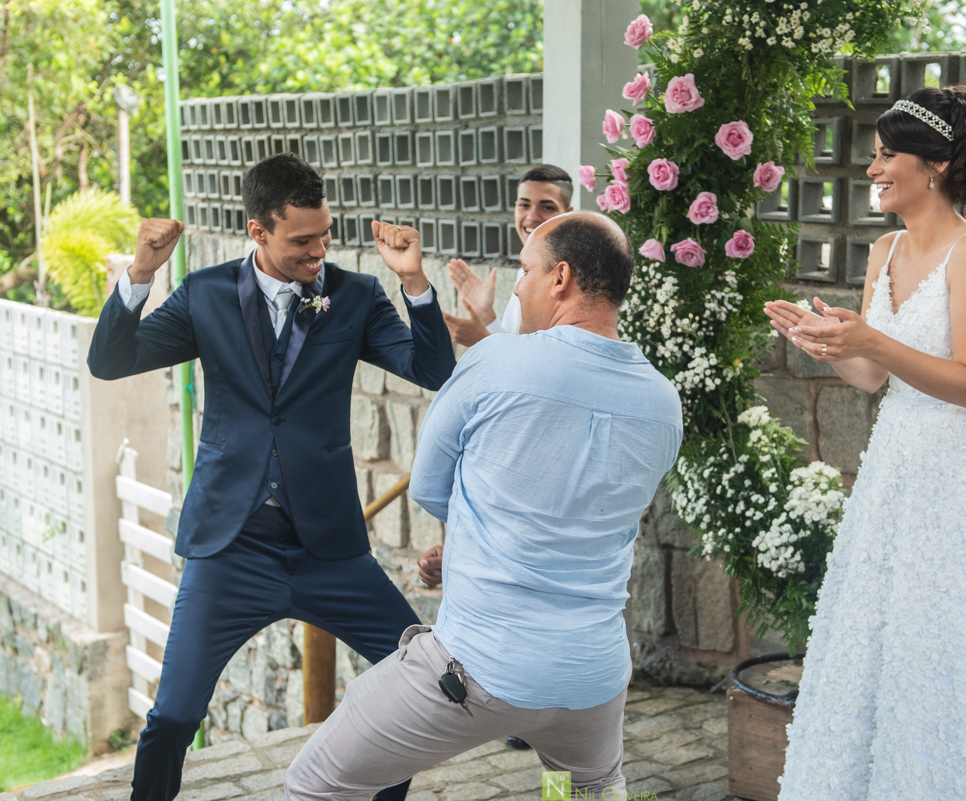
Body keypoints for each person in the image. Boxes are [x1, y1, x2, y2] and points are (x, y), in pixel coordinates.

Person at [88, 153, 456, 801]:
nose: (319, 251)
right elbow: (111, 360)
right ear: (258, 232)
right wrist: (141, 272)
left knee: (414, 678)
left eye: (325, 235)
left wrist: (414, 281)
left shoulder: (355, 296)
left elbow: (430, 369)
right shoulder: (204, 295)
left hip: (329, 549)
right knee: (172, 715)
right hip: (230, 548)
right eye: (301, 241)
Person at [284, 212, 683, 800]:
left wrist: (478, 543)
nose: (517, 287)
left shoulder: (496, 362)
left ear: (560, 278)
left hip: (479, 672)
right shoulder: (664, 401)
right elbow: (600, 519)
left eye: (525, 270)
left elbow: (429, 486)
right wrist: (480, 545)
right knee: (583, 788)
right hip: (592, 678)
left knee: (316, 780)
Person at [765, 86, 966, 799]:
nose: (872, 169)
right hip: (897, 474)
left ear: (935, 165)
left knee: (956, 644)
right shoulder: (884, 250)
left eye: (886, 155)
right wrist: (828, 346)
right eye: (873, 156)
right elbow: (875, 375)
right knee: (886, 643)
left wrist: (869, 334)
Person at [441, 164, 574, 345]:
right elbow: (512, 342)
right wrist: (486, 314)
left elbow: (544, 364)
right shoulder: (526, 270)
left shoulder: (568, 279)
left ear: (567, 215)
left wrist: (480, 340)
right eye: (524, 205)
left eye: (547, 208)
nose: (531, 216)